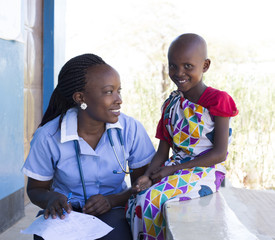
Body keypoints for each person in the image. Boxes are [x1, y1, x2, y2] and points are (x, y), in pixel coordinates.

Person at [22, 53, 156, 240]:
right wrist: (51, 198)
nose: (119, 99)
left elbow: (142, 184)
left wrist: (112, 200)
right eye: (109, 91)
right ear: (80, 97)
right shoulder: (48, 136)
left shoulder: (130, 129)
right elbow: (35, 189)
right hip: (67, 214)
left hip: (115, 208)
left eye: (119, 90)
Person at [126, 33, 238, 240]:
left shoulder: (218, 100)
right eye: (173, 66)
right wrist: (148, 175)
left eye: (188, 66)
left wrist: (173, 169)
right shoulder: (171, 105)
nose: (179, 73)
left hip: (206, 170)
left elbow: (220, 154)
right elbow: (162, 151)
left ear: (205, 66)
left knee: (151, 200)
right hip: (175, 168)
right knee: (138, 197)